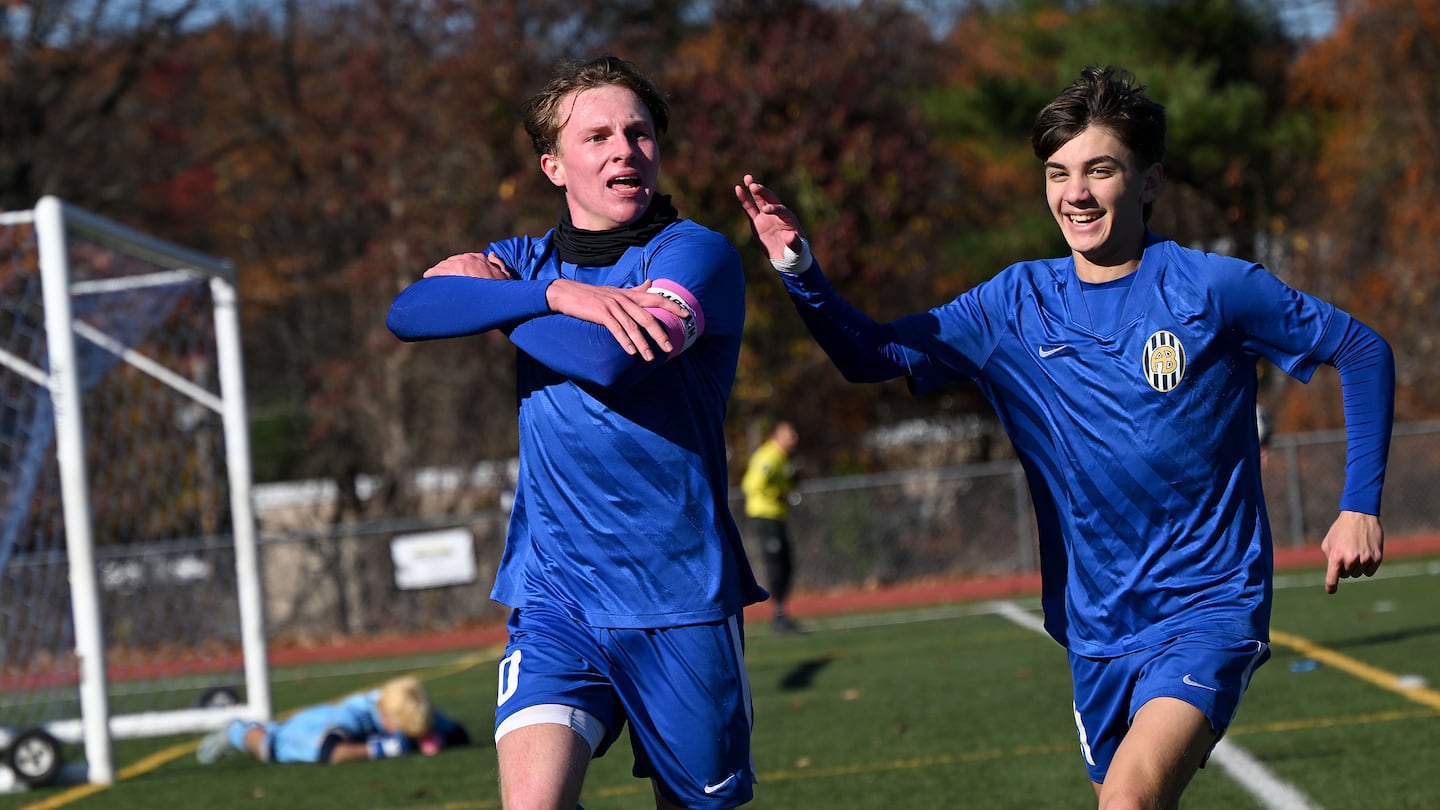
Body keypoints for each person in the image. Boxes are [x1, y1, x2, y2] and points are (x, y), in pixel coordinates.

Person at [736, 64, 1394, 809]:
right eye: (1058, 173)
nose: (1075, 193)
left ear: (1148, 182)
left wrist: (1359, 502)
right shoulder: (1012, 305)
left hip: (1207, 606)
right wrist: (798, 267)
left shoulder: (1214, 288)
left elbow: (1362, 349)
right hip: (1095, 623)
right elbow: (871, 355)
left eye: (1099, 169)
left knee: (1129, 801)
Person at [386, 55, 764, 809]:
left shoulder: (695, 255)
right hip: (556, 592)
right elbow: (409, 311)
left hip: (676, 595)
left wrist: (504, 303)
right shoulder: (531, 263)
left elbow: (611, 359)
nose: (624, 148)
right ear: (554, 165)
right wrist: (553, 291)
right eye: (597, 137)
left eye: (639, 131)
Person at [195, 675, 470, 765]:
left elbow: (459, 733)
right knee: (272, 747)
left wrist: (434, 738)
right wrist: (380, 749)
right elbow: (331, 753)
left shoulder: (412, 706)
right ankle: (236, 729)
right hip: (311, 728)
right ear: (385, 715)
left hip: (327, 720)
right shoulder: (356, 713)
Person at [741, 420, 803, 633]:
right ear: (777, 435)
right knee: (776, 564)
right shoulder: (768, 457)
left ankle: (782, 612)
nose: (794, 439)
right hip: (764, 516)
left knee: (787, 563)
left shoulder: (783, 459)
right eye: (790, 434)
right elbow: (751, 485)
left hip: (777, 516)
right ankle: (778, 615)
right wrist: (778, 494)